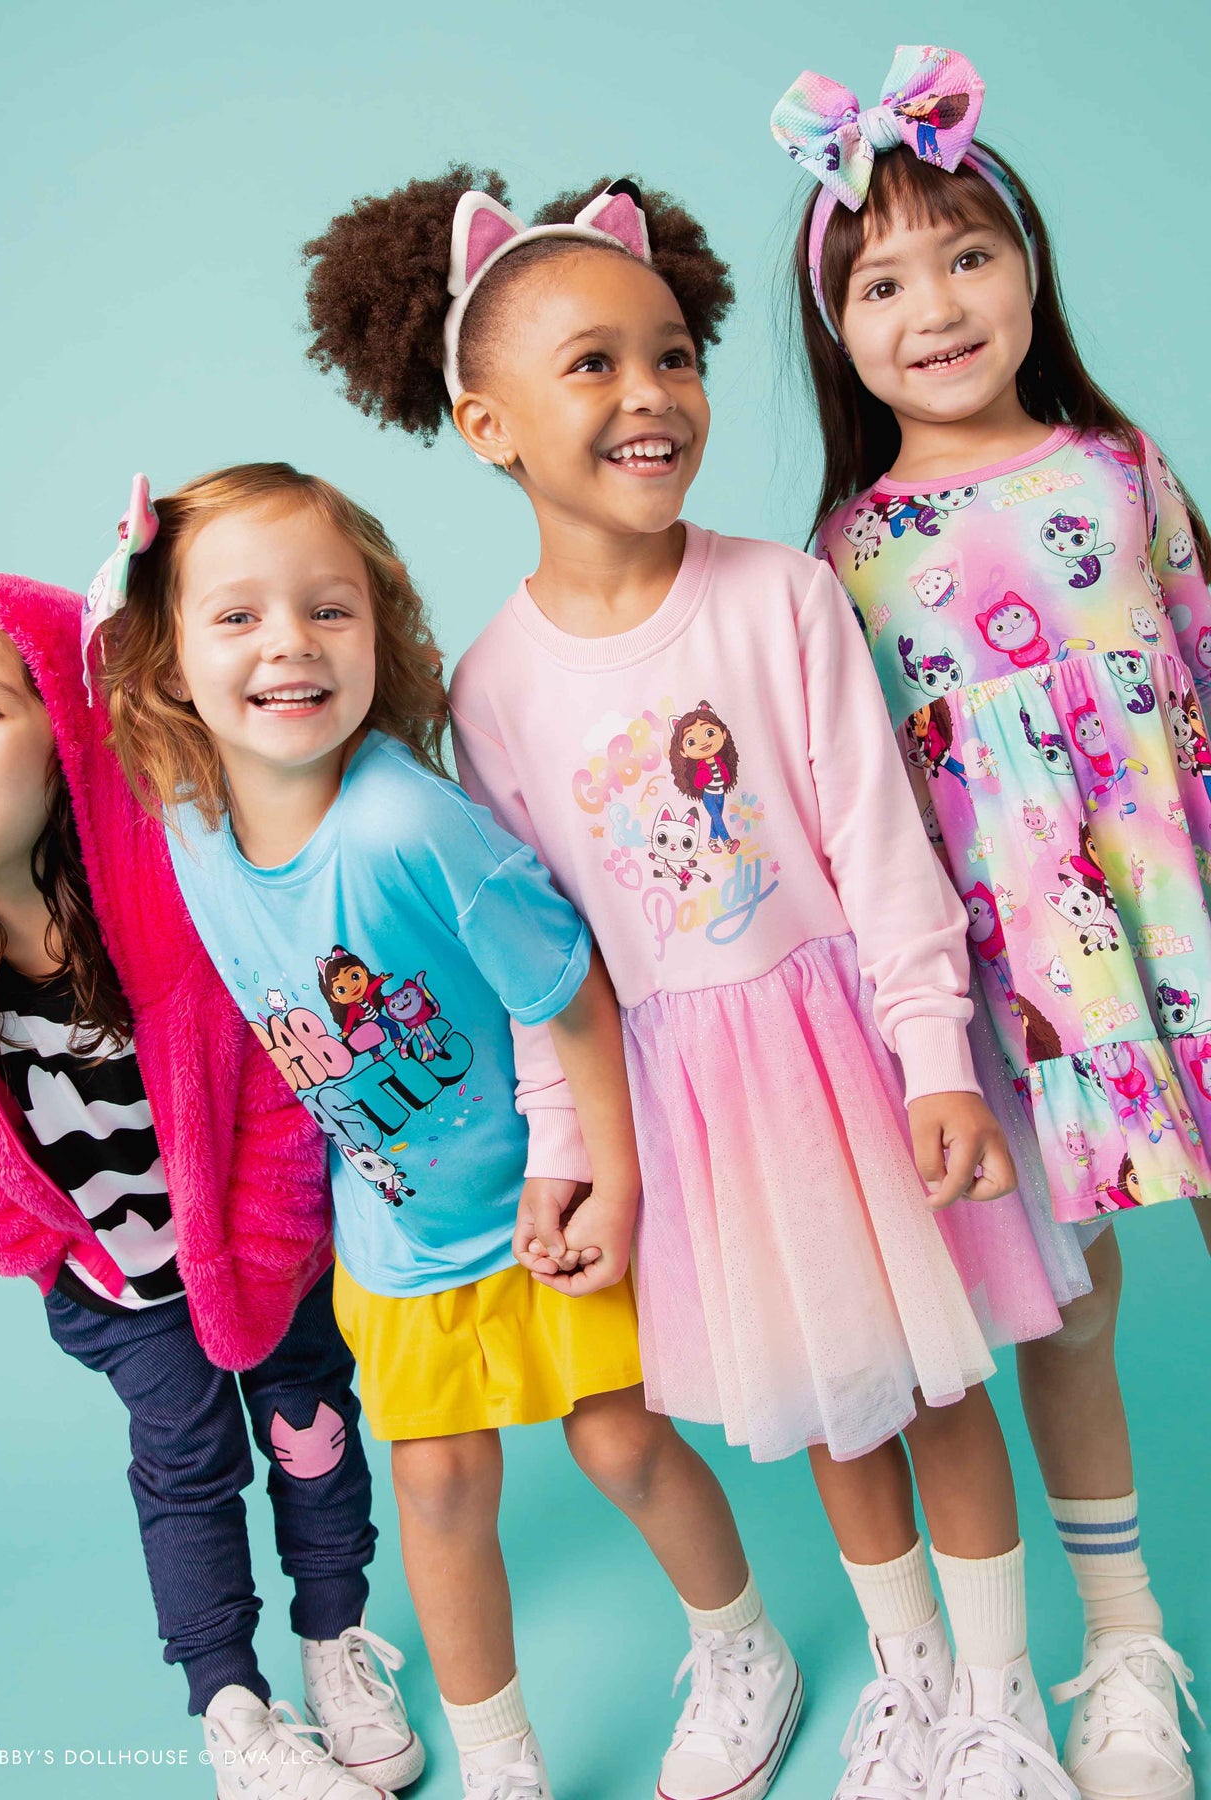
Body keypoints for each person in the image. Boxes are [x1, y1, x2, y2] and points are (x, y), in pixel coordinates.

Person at [303, 165, 1086, 1799]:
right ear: (488, 425)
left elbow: (881, 848)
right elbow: (546, 975)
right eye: (593, 363)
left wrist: (937, 1055)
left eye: (673, 354)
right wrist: (572, 1155)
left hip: (849, 1054)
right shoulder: (493, 691)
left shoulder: (782, 597)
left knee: (939, 1383)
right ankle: (910, 1681)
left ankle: (1001, 1698)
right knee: (836, 1401)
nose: (651, 391)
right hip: (698, 1103)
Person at [93, 461, 800, 1800]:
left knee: (622, 1444)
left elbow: (569, 994)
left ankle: (744, 1651)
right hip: (397, 1235)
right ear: (170, 661)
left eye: (329, 609)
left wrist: (604, 1183)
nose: (291, 644)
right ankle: (499, 1765)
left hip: (544, 1199)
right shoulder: (185, 821)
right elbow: (87, 680)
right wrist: (121, 580)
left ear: (382, 630)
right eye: (236, 617)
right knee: (437, 1489)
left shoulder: (408, 824)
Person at [777, 42, 1205, 1799]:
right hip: (1023, 995)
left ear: (1030, 271)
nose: (935, 306)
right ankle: (1125, 1646)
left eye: (966, 255)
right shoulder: (842, 554)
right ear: (838, 332)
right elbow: (867, 817)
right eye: (881, 282)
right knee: (1074, 1316)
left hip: (1185, 934)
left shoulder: (1121, 468)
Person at [0, 571, 420, 1799]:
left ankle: (335, 1641)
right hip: (119, 1282)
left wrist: (271, 1247)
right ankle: (231, 1709)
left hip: (262, 1254)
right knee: (185, 1464)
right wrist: (38, 1252)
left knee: (309, 1428)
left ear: (65, 735)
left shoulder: (170, 900)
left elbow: (273, 1076)